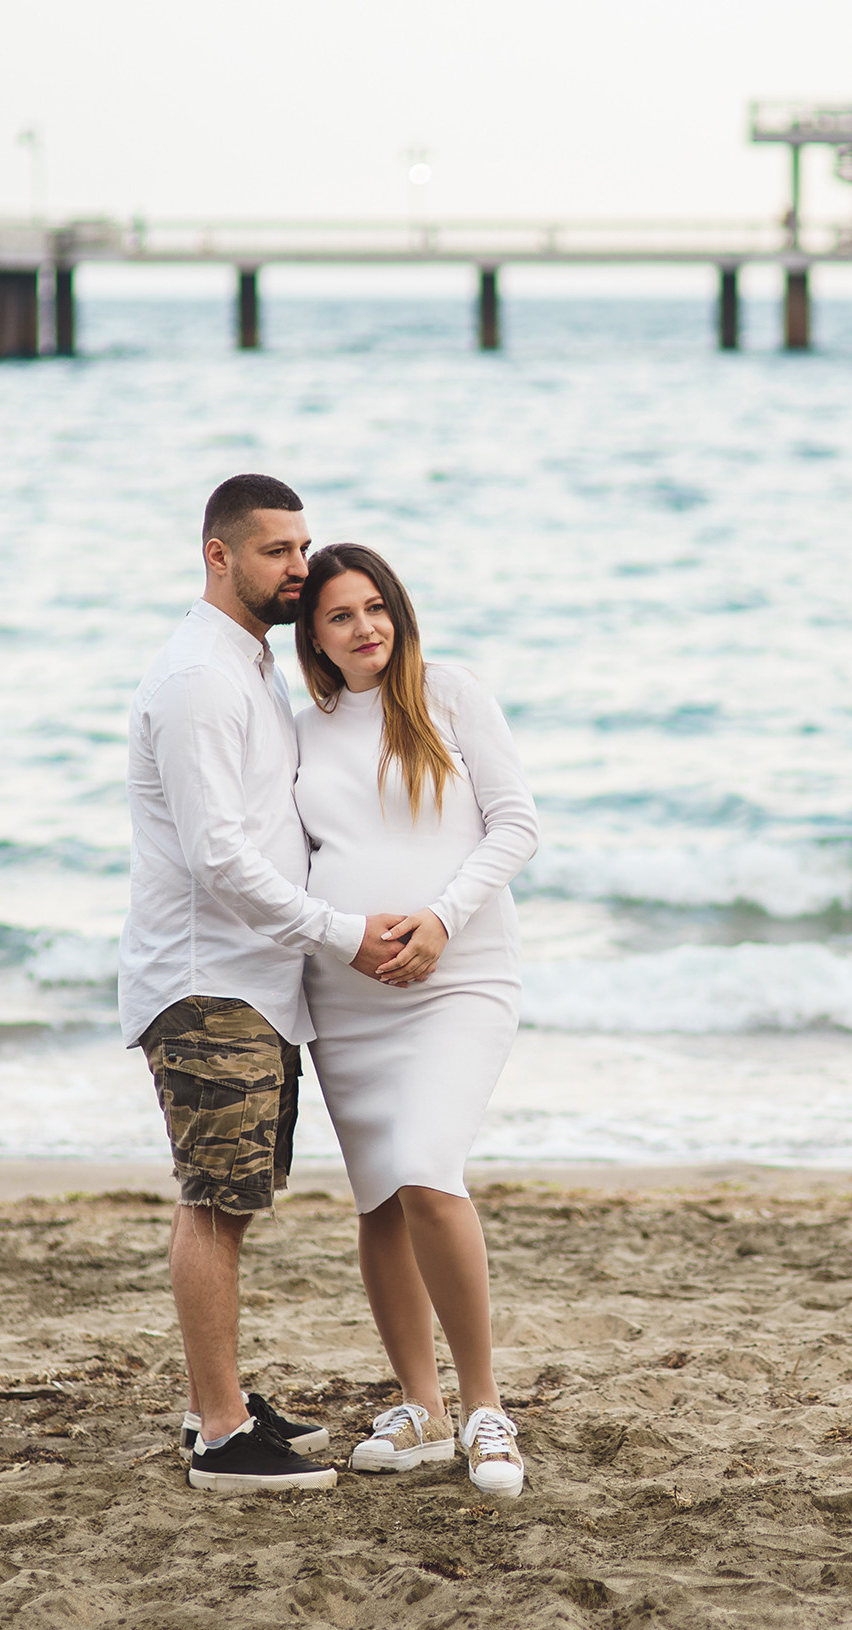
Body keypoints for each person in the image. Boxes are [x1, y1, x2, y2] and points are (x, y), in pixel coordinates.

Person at [120, 475, 410, 1494]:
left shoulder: (247, 663)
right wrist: (341, 934)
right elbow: (218, 858)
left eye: (302, 546)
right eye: (276, 551)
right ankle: (218, 1430)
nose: (299, 567)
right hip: (208, 981)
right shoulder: (201, 679)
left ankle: (222, 1398)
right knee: (213, 1201)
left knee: (231, 1199)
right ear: (218, 555)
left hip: (251, 981)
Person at [291, 544, 541, 1499]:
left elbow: (516, 825)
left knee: (430, 1171)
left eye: (375, 606)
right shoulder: (300, 729)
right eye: (340, 615)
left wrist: (441, 917)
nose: (365, 628)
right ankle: (421, 1405)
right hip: (348, 995)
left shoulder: (450, 693)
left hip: (460, 975)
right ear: (314, 638)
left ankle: (484, 1406)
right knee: (381, 1202)